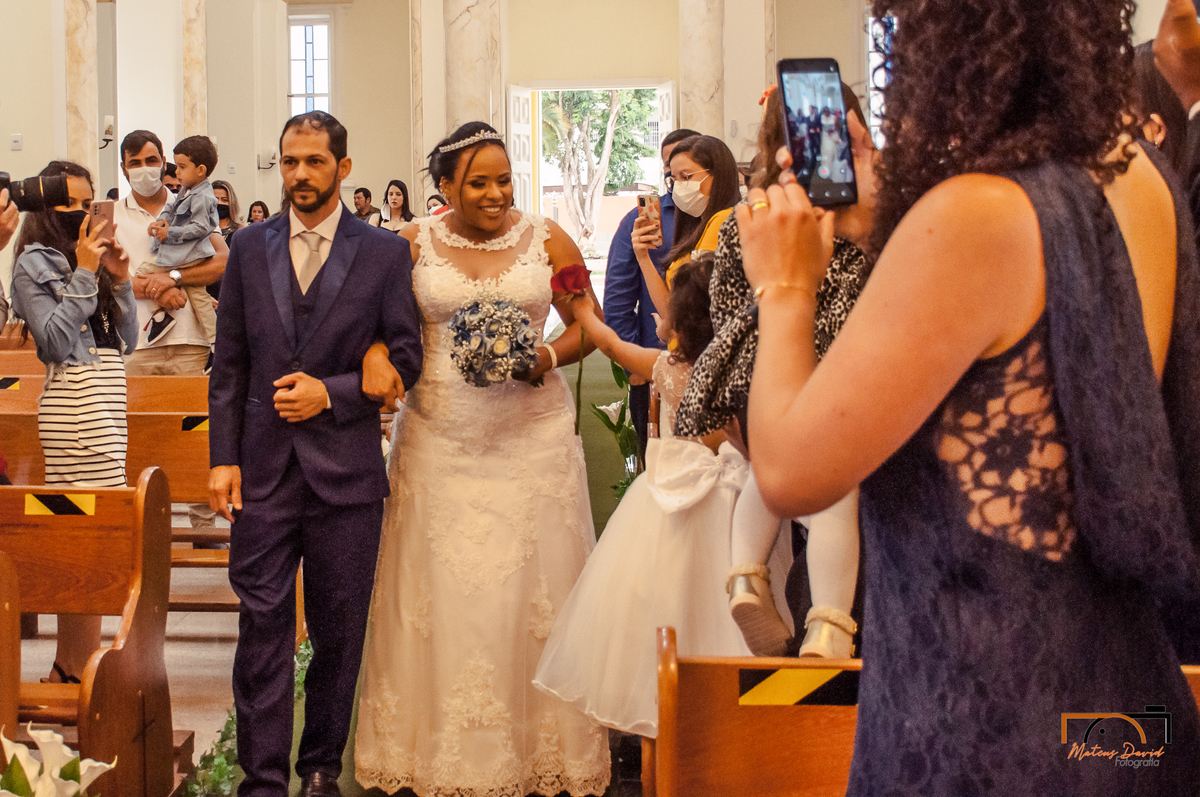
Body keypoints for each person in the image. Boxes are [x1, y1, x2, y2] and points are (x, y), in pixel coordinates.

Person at [740, 0, 1200, 792]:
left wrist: (785, 287)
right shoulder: (1135, 171)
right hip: (1120, 720)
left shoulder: (976, 218)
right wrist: (896, 215)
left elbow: (786, 470)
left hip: (992, 720)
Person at [354, 121, 611, 797]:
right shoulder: (407, 245)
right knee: (441, 595)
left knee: (533, 594)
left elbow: (589, 323)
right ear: (443, 187)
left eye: (504, 179)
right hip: (439, 436)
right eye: (478, 182)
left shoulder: (549, 239)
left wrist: (545, 354)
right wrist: (379, 355)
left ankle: (541, 751)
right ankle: (433, 753)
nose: (496, 194)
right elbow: (372, 326)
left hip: (531, 436)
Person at [207, 110, 423, 797]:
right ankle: (262, 777)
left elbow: (407, 355)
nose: (300, 174)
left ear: (344, 168)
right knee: (262, 624)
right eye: (290, 161)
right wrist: (222, 457)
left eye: (315, 162)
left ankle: (321, 768)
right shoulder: (247, 245)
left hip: (346, 476)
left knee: (337, 632)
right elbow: (230, 361)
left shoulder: (385, 253)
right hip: (263, 473)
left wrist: (330, 394)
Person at [533, 255, 790, 737]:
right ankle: (742, 726)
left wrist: (582, 309)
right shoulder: (750, 376)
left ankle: (666, 722)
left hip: (667, 511)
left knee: (659, 606)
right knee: (733, 610)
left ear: (679, 322)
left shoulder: (665, 368)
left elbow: (608, 342)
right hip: (738, 512)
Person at [676, 84, 873, 659]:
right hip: (827, 359)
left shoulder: (750, 215)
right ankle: (829, 626)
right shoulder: (841, 220)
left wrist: (739, 362)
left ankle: (744, 574)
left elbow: (724, 300)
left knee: (765, 468)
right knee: (835, 487)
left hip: (760, 360)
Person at [9, 160, 137, 684]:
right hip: (75, 409)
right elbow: (57, 343)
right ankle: (73, 665)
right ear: (48, 212)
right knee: (85, 541)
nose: (87, 215)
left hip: (107, 396)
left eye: (92, 204)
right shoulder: (33, 264)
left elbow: (125, 340)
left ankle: (72, 665)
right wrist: (85, 271)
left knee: (91, 541)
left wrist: (121, 282)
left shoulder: (88, 260)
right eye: (76, 207)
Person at [116, 129, 228, 545]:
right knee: (140, 433)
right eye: (135, 162)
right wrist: (143, 286)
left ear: (165, 161)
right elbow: (101, 273)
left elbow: (221, 261)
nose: (145, 169)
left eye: (152, 160)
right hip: (136, 342)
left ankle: (203, 522)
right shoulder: (113, 214)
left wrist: (174, 276)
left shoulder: (188, 202)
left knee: (193, 432)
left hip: (186, 338)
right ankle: (141, 523)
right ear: (124, 168)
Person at [604, 127, 700, 455]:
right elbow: (618, 298)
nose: (677, 180)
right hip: (655, 362)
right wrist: (634, 365)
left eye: (687, 172)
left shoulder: (723, 217)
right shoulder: (643, 219)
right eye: (670, 172)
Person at [633, 134, 741, 319]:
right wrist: (643, 258)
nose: (679, 187)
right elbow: (673, 311)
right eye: (674, 179)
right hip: (686, 343)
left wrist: (668, 329)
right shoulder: (697, 224)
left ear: (718, 175)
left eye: (686, 176)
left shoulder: (723, 220)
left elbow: (691, 315)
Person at [145, 135, 220, 351]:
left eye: (181, 166)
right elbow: (172, 208)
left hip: (189, 254)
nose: (176, 172)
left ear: (200, 170)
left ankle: (160, 317)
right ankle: (216, 344)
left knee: (145, 272)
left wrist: (169, 233)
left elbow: (201, 228)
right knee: (200, 299)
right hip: (185, 254)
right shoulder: (188, 189)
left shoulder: (204, 197)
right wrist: (161, 221)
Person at [212, 179, 245, 245]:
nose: (219, 203)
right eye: (215, 199)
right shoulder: (201, 230)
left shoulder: (241, 231)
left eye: (224, 200)